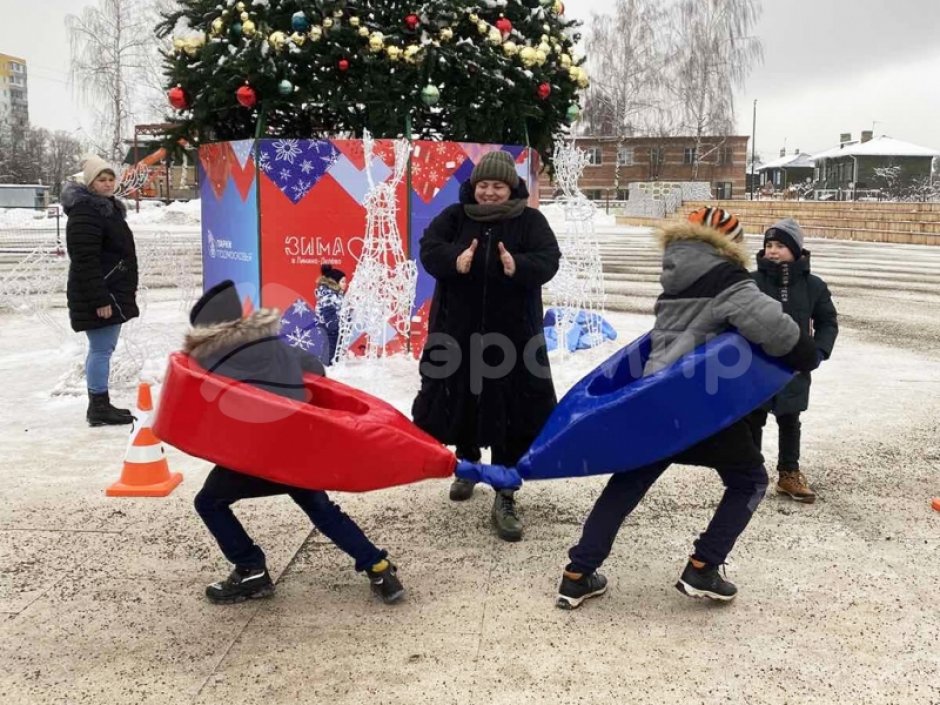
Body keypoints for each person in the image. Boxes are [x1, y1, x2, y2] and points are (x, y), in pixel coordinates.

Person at [556, 207, 819, 609]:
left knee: (629, 481)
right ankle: (703, 566)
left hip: (655, 399)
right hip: (701, 407)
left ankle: (577, 574)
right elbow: (777, 331)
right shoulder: (727, 279)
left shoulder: (676, 278)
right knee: (749, 481)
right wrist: (807, 353)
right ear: (728, 244)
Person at [186, 280, 404, 605]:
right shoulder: (269, 343)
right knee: (321, 509)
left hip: (258, 456)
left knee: (209, 502)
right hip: (300, 448)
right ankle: (379, 568)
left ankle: (250, 570)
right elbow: (316, 370)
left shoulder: (216, 363)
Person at [412, 150, 561, 542]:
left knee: (510, 410)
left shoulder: (530, 220)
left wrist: (519, 266)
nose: (490, 192)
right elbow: (429, 249)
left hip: (512, 338)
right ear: (473, 186)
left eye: (498, 186)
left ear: (511, 188)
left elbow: (549, 259)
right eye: (483, 185)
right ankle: (467, 466)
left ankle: (505, 492)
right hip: (457, 331)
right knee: (462, 398)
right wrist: (453, 259)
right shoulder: (455, 217)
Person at [747, 219, 838, 504]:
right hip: (757, 365)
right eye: (769, 245)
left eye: (780, 246)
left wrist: (817, 352)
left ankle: (788, 473)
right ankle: (750, 474)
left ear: (796, 250)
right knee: (752, 419)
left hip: (794, 365)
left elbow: (827, 322)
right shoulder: (751, 283)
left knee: (790, 418)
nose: (773, 251)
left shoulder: (813, 285)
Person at [63, 155, 139, 426]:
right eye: (101, 180)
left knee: (103, 348)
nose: (107, 184)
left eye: (110, 179)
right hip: (101, 293)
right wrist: (100, 299)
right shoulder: (86, 212)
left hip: (111, 289)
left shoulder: (107, 208)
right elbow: (84, 260)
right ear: (90, 183)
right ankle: (98, 406)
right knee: (101, 349)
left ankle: (100, 404)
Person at [314, 263, 346, 364]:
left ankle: (330, 364)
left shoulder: (336, 294)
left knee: (334, 349)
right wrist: (334, 327)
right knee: (330, 349)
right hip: (329, 328)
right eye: (343, 281)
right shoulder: (329, 295)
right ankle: (327, 366)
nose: (345, 284)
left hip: (333, 328)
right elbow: (328, 313)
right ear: (335, 282)